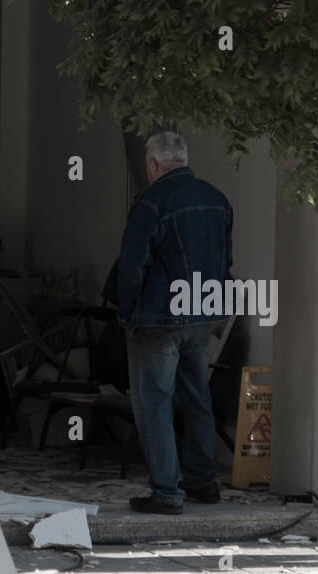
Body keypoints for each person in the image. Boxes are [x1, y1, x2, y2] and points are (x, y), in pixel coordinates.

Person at [115, 131, 233, 514]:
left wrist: (127, 310)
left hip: (158, 318)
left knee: (155, 402)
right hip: (201, 316)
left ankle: (166, 492)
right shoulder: (218, 199)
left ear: (153, 165)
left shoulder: (150, 202)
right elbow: (224, 262)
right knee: (198, 398)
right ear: (182, 159)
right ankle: (203, 482)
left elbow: (132, 267)